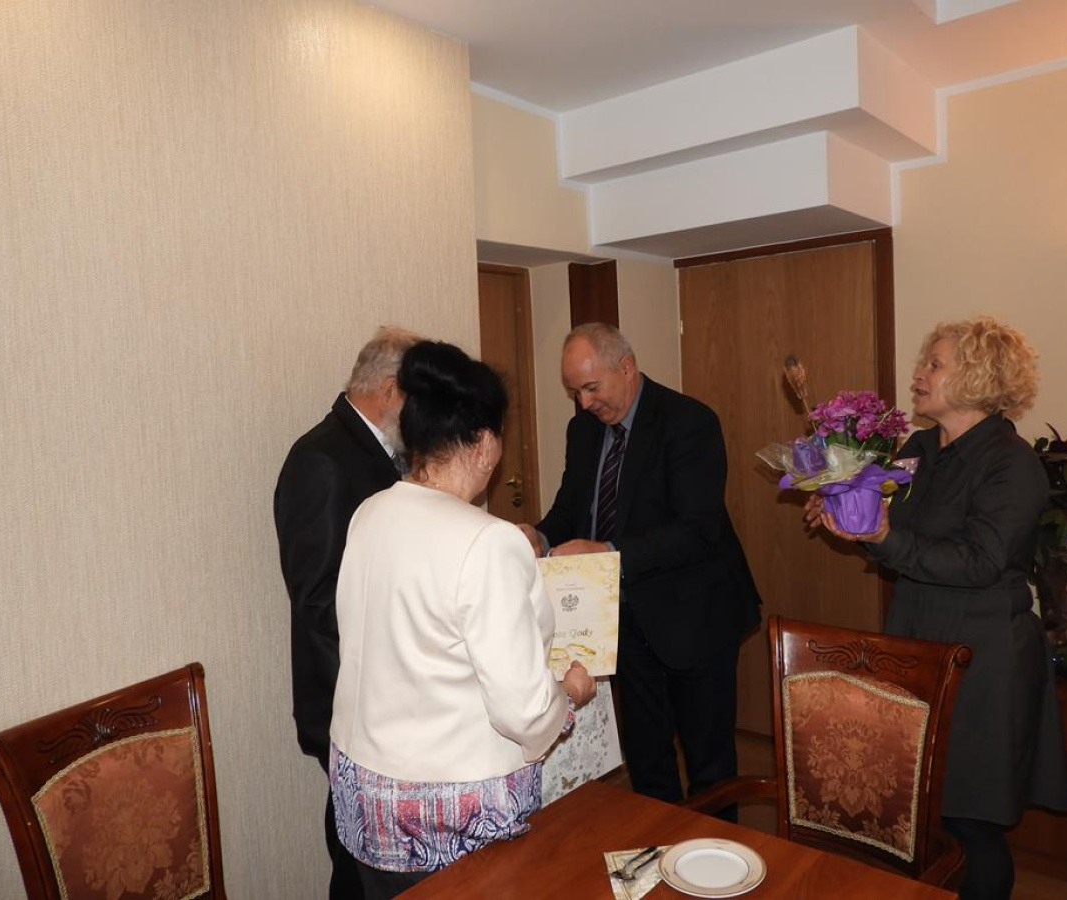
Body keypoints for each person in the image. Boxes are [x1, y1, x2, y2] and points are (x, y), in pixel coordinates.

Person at [807, 316, 1067, 900]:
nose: (918, 375)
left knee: (969, 819)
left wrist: (883, 537)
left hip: (982, 656)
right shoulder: (920, 449)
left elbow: (980, 562)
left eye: (934, 364)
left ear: (977, 376)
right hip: (915, 639)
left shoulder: (1011, 463)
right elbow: (896, 538)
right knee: (919, 807)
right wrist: (849, 518)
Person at [330, 340, 597, 899]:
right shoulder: (488, 542)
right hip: (448, 817)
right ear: (482, 443)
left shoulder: (370, 513)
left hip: (363, 799)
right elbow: (524, 712)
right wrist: (570, 693)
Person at [519, 323, 761, 808]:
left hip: (695, 616)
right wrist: (539, 535)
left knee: (710, 767)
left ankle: (712, 854)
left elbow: (696, 530)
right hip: (624, 622)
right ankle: (658, 851)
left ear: (626, 367)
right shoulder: (583, 429)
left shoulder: (689, 422)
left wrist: (607, 552)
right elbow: (572, 508)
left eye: (592, 387)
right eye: (574, 391)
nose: (584, 402)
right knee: (648, 761)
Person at [274, 325, 418, 900]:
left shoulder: (379, 452)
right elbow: (318, 600)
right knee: (357, 858)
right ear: (389, 390)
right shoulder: (322, 459)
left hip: (383, 699)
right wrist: (378, 693)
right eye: (417, 397)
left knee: (379, 856)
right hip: (352, 704)